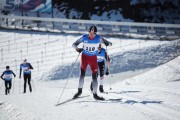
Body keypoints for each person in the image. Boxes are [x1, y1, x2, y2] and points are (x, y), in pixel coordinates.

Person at [72, 25, 112, 100]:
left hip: (93, 58)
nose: (93, 35)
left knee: (94, 76)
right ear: (89, 32)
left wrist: (107, 43)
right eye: (92, 33)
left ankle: (95, 94)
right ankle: (79, 91)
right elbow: (73, 44)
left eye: (95, 33)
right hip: (84, 57)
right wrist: (77, 49)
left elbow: (110, 44)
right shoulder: (84, 37)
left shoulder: (98, 38)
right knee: (82, 74)